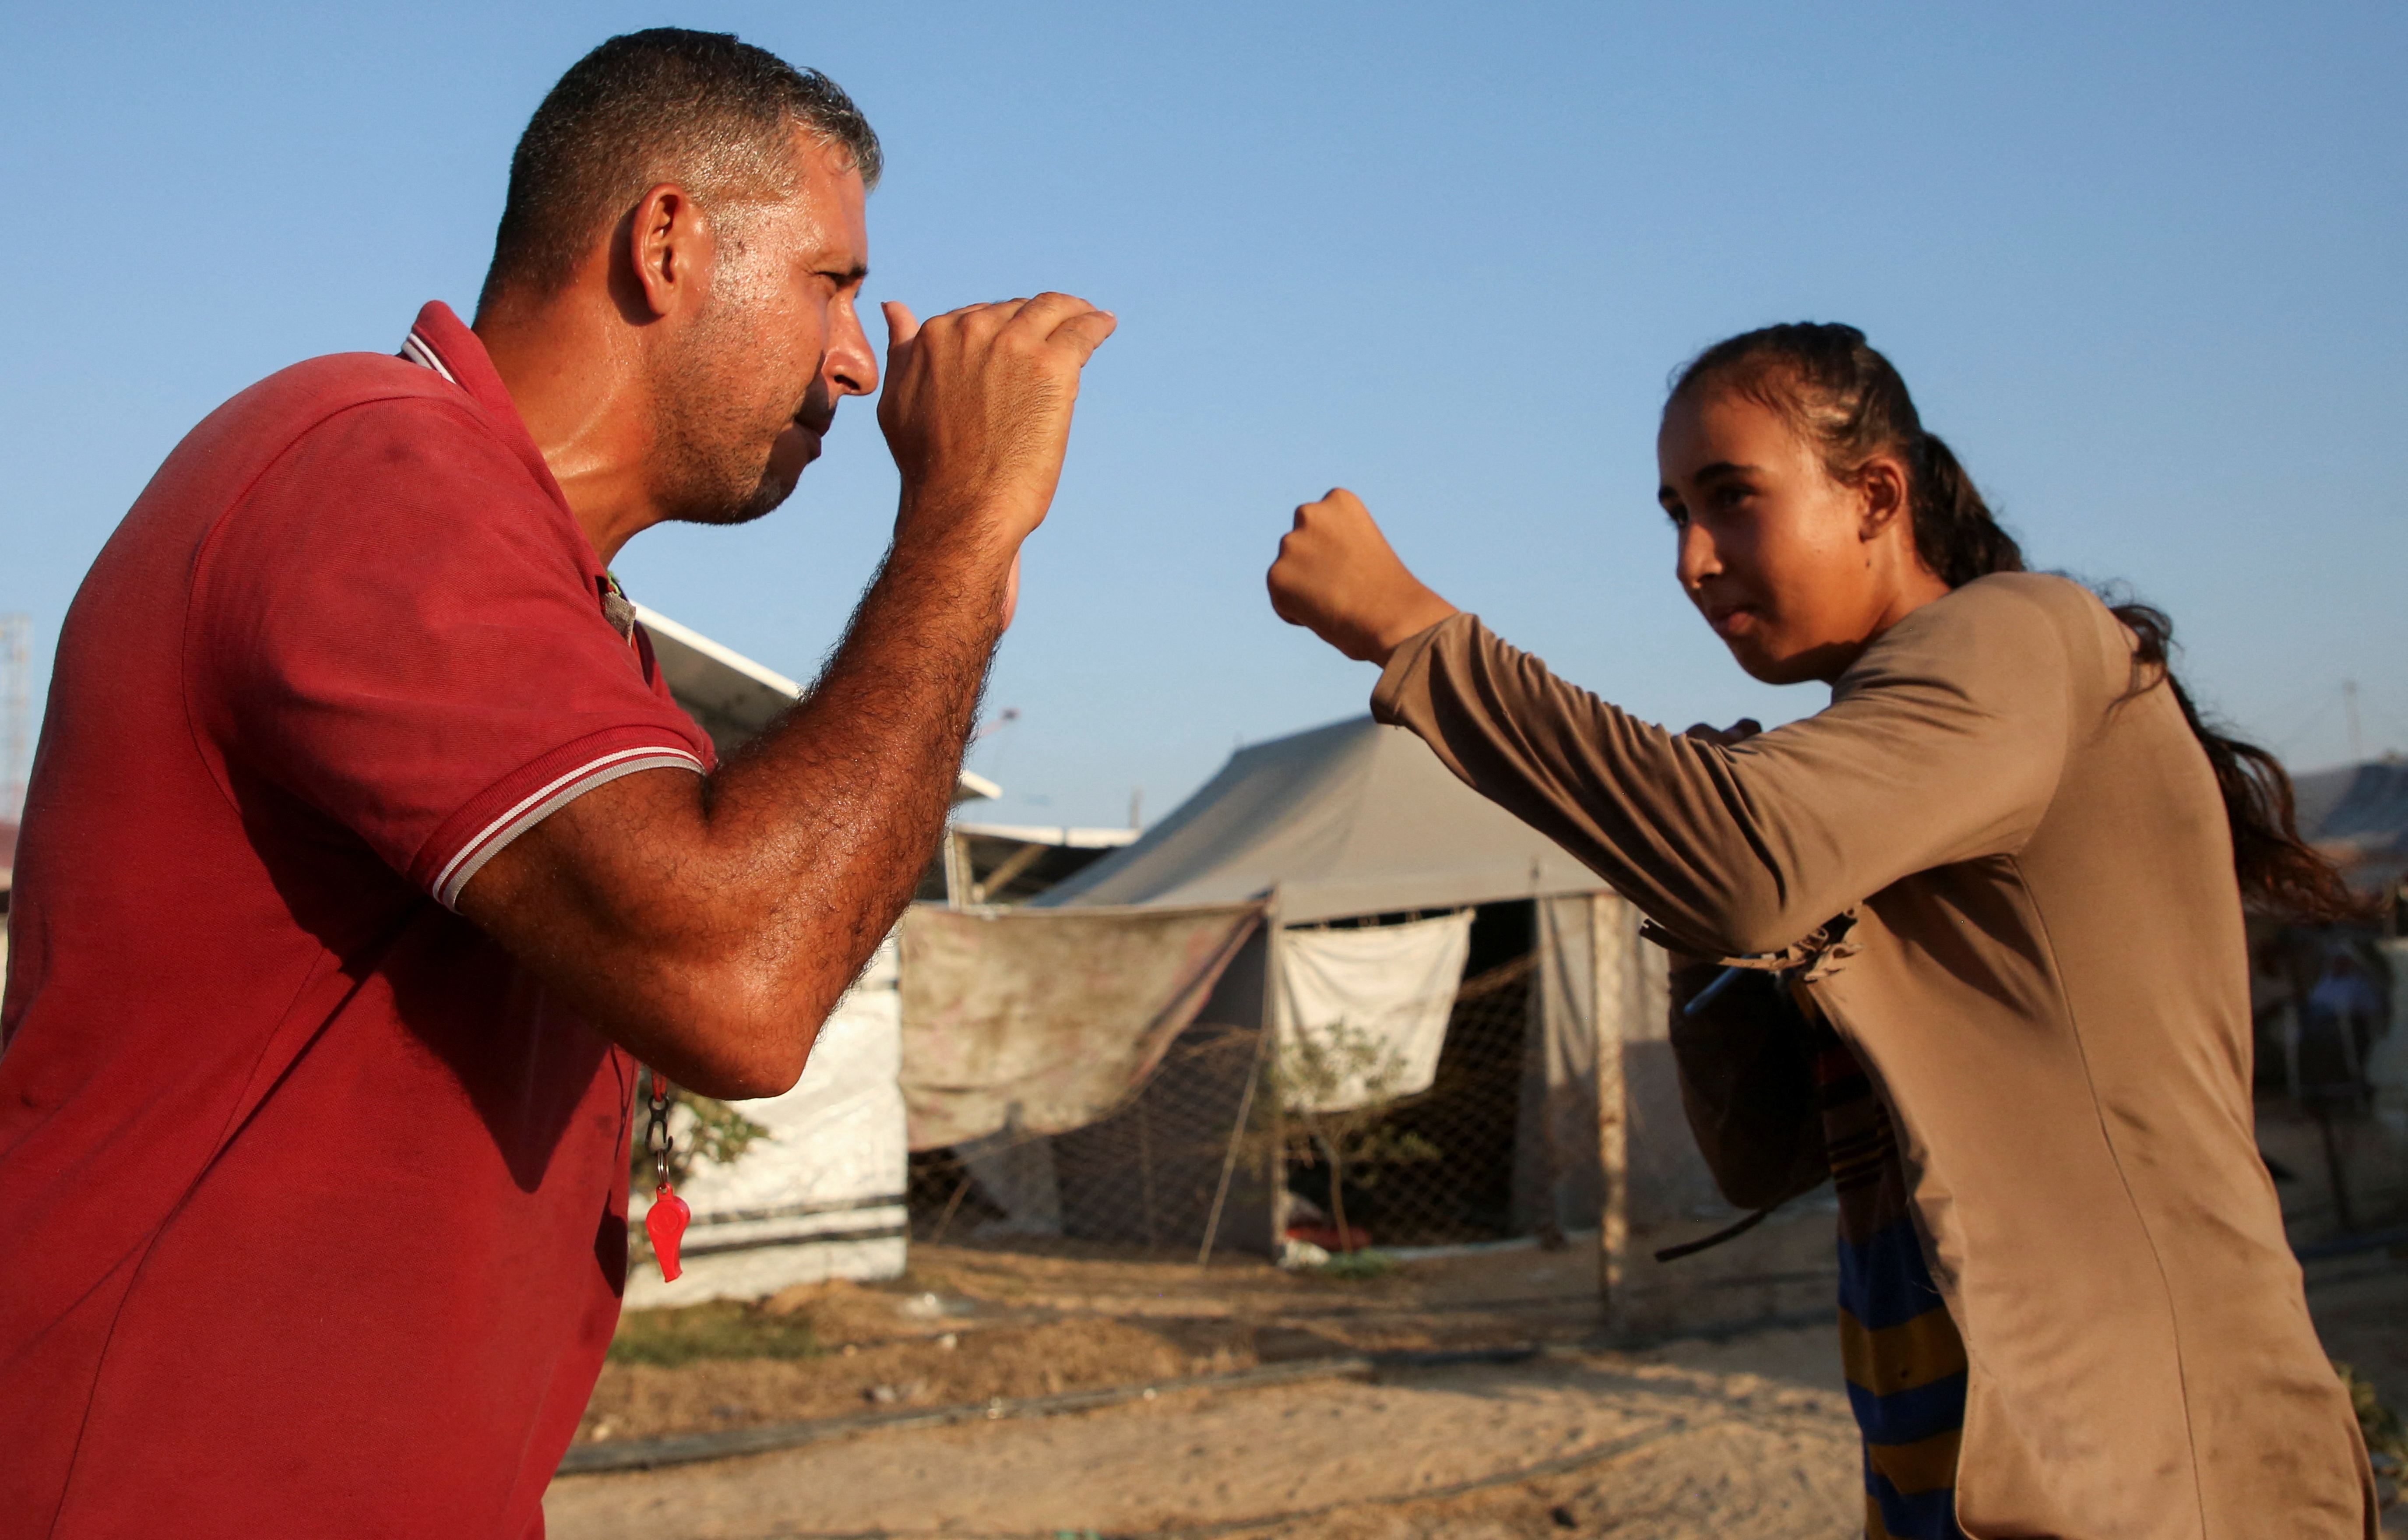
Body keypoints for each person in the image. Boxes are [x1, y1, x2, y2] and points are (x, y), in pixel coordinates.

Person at [0, 29, 1111, 1538]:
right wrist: (962, 531)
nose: (859, 359)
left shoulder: (569, 614)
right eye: (831, 283)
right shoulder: (372, 474)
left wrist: (961, 566)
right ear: (667, 243)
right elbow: (740, 979)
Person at [1265, 322, 2376, 1538]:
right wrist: (1700, 909)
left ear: (1874, 496)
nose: (1692, 559)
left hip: (2149, 1470)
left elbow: (1747, 864)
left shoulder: (2021, 635)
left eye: (1730, 499)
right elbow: (1763, 1152)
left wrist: (1413, 635)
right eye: (1672, 513)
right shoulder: (1875, 771)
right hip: (1952, 1460)